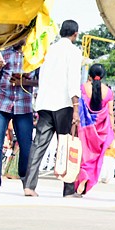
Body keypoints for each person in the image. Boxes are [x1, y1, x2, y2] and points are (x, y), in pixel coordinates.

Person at [24, 19, 81, 198]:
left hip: (45, 103)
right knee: (67, 144)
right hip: (64, 104)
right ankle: (68, 189)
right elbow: (73, 79)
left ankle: (29, 186)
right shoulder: (74, 51)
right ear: (75, 34)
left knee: (39, 145)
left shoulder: (49, 49)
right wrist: (76, 108)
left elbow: (42, 76)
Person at [0, 45, 38, 194]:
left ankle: (25, 181)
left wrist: (23, 81)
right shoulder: (4, 54)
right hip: (2, 104)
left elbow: (40, 82)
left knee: (26, 147)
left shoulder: (34, 56)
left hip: (24, 106)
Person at [75, 64, 115, 196]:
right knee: (95, 157)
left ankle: (82, 177)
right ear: (103, 76)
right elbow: (110, 113)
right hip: (101, 130)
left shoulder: (82, 88)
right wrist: (112, 130)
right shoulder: (108, 92)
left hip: (84, 128)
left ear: (89, 75)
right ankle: (87, 178)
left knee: (83, 155)